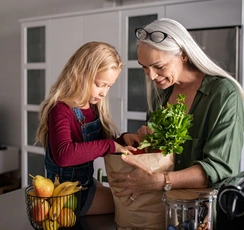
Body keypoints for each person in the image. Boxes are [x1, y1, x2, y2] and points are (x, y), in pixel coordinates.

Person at [109, 18, 244, 208]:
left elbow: (220, 168)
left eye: (159, 66)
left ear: (183, 55)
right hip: (164, 207)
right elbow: (161, 156)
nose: (151, 76)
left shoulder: (223, 93)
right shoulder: (161, 94)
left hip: (205, 212)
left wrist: (160, 181)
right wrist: (148, 140)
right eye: (144, 67)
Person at [35, 41, 136, 216]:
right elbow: (64, 155)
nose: (104, 92)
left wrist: (122, 140)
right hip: (66, 197)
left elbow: (97, 142)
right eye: (100, 84)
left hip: (84, 184)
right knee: (128, 204)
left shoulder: (92, 106)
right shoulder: (60, 109)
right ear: (80, 74)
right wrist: (111, 145)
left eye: (109, 86)